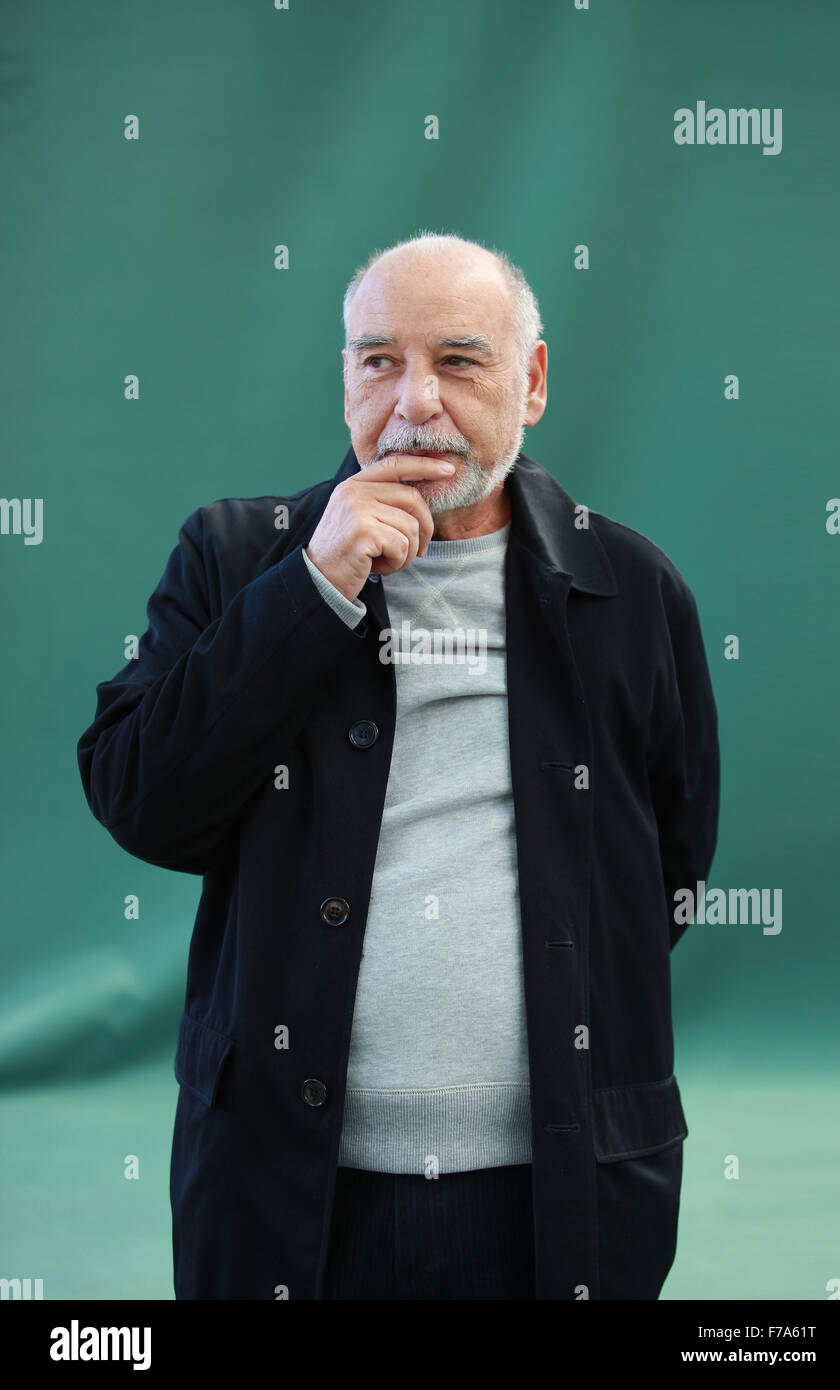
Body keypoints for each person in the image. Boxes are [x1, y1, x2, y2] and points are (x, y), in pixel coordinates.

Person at [77, 230, 720, 1300]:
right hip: (290, 1191)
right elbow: (143, 802)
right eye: (377, 360)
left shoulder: (630, 588)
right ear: (343, 380)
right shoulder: (236, 557)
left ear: (533, 380)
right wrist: (311, 590)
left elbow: (669, 864)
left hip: (558, 1188)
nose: (413, 402)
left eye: (458, 361)